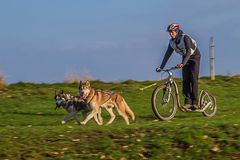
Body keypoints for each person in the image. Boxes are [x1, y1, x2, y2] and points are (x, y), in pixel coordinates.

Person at [156, 23, 201, 110]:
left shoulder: (185, 38)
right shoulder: (172, 42)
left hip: (194, 57)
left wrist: (183, 63)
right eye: (169, 32)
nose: (170, 34)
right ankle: (188, 103)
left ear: (176, 31)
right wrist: (161, 67)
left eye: (172, 32)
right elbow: (167, 55)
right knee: (185, 80)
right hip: (185, 58)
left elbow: (188, 52)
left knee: (193, 79)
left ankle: (195, 102)